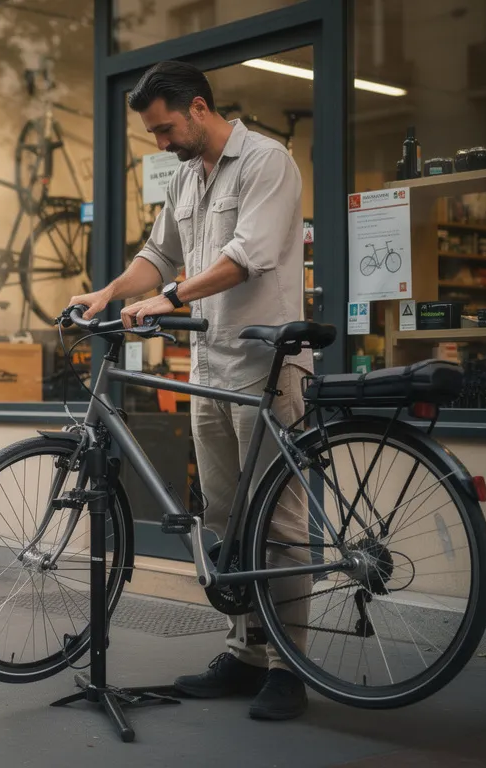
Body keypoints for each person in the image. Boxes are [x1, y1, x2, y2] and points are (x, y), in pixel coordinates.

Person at [68, 61, 312, 721]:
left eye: (165, 127)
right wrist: (112, 292)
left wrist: (168, 298)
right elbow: (160, 253)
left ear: (199, 108)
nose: (159, 143)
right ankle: (246, 655)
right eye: (152, 132)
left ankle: (292, 670)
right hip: (208, 368)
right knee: (224, 521)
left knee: (280, 528)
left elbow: (248, 255)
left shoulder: (268, 162)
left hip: (266, 365)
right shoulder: (183, 178)